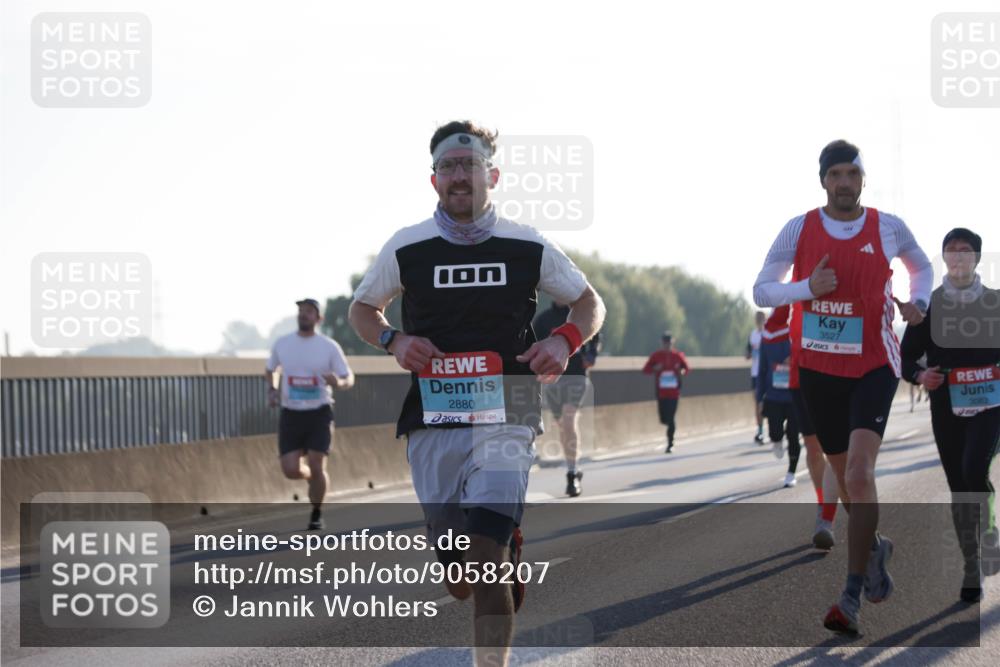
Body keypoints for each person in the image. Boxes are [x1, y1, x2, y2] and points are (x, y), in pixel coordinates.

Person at [348, 121, 605, 666]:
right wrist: (394, 339)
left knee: (483, 556)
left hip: (507, 413)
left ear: (493, 174)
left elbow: (589, 303)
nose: (459, 175)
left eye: (469, 165)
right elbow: (361, 311)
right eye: (448, 167)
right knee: (461, 576)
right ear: (433, 179)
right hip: (433, 419)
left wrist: (564, 341)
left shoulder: (527, 243)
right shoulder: (408, 246)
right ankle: (503, 551)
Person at [753, 139, 933, 634]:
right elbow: (762, 289)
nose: (844, 183)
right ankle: (874, 547)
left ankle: (850, 596)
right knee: (848, 486)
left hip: (873, 365)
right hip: (817, 370)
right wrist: (807, 289)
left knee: (857, 473)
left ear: (862, 179)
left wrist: (918, 301)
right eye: (835, 174)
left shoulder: (889, 227)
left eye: (852, 173)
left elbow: (921, 266)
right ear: (823, 181)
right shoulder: (800, 228)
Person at [900, 227, 1000, 603]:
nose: (957, 257)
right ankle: (971, 567)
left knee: (975, 469)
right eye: (951, 251)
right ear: (944, 258)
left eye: (965, 250)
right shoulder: (930, 306)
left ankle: (988, 526)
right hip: (947, 407)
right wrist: (920, 375)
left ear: (977, 258)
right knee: (961, 486)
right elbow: (905, 357)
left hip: (991, 405)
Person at [266, 298, 355, 531]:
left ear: (318, 318)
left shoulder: (328, 346)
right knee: (290, 469)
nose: (303, 315)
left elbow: (348, 377)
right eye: (300, 311)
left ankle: (316, 512)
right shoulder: (283, 344)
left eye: (308, 312)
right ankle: (311, 477)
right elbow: (270, 370)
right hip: (291, 413)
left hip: (319, 413)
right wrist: (273, 389)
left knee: (317, 463)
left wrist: (339, 382)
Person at [533, 301, 602, 497]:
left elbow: (595, 335)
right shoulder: (543, 320)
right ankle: (574, 466)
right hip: (552, 381)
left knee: (569, 419)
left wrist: (592, 354)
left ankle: (572, 474)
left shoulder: (579, 314)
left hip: (577, 377)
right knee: (563, 426)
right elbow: (532, 344)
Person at [757, 306, 802, 486]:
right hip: (774, 395)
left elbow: (811, 356)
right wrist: (760, 397)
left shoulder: (800, 333)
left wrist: (796, 358)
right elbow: (762, 368)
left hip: (795, 395)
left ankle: (791, 473)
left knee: (793, 435)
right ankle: (776, 440)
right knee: (775, 432)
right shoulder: (766, 337)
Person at [642, 333, 690, 453]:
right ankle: (669, 428)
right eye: (665, 343)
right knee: (664, 419)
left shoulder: (678, 356)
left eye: (669, 343)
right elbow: (645, 370)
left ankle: (670, 443)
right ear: (662, 343)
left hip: (674, 392)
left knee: (671, 417)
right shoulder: (656, 356)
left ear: (672, 343)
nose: (667, 345)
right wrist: (655, 369)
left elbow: (687, 369)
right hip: (661, 392)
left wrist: (681, 371)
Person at [747, 311, 767, 444]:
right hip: (755, 373)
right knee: (757, 403)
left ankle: (776, 427)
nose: (759, 320)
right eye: (757, 318)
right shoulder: (752, 335)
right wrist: (750, 354)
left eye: (761, 318)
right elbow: (747, 353)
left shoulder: (768, 334)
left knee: (770, 402)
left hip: (768, 373)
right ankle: (760, 430)